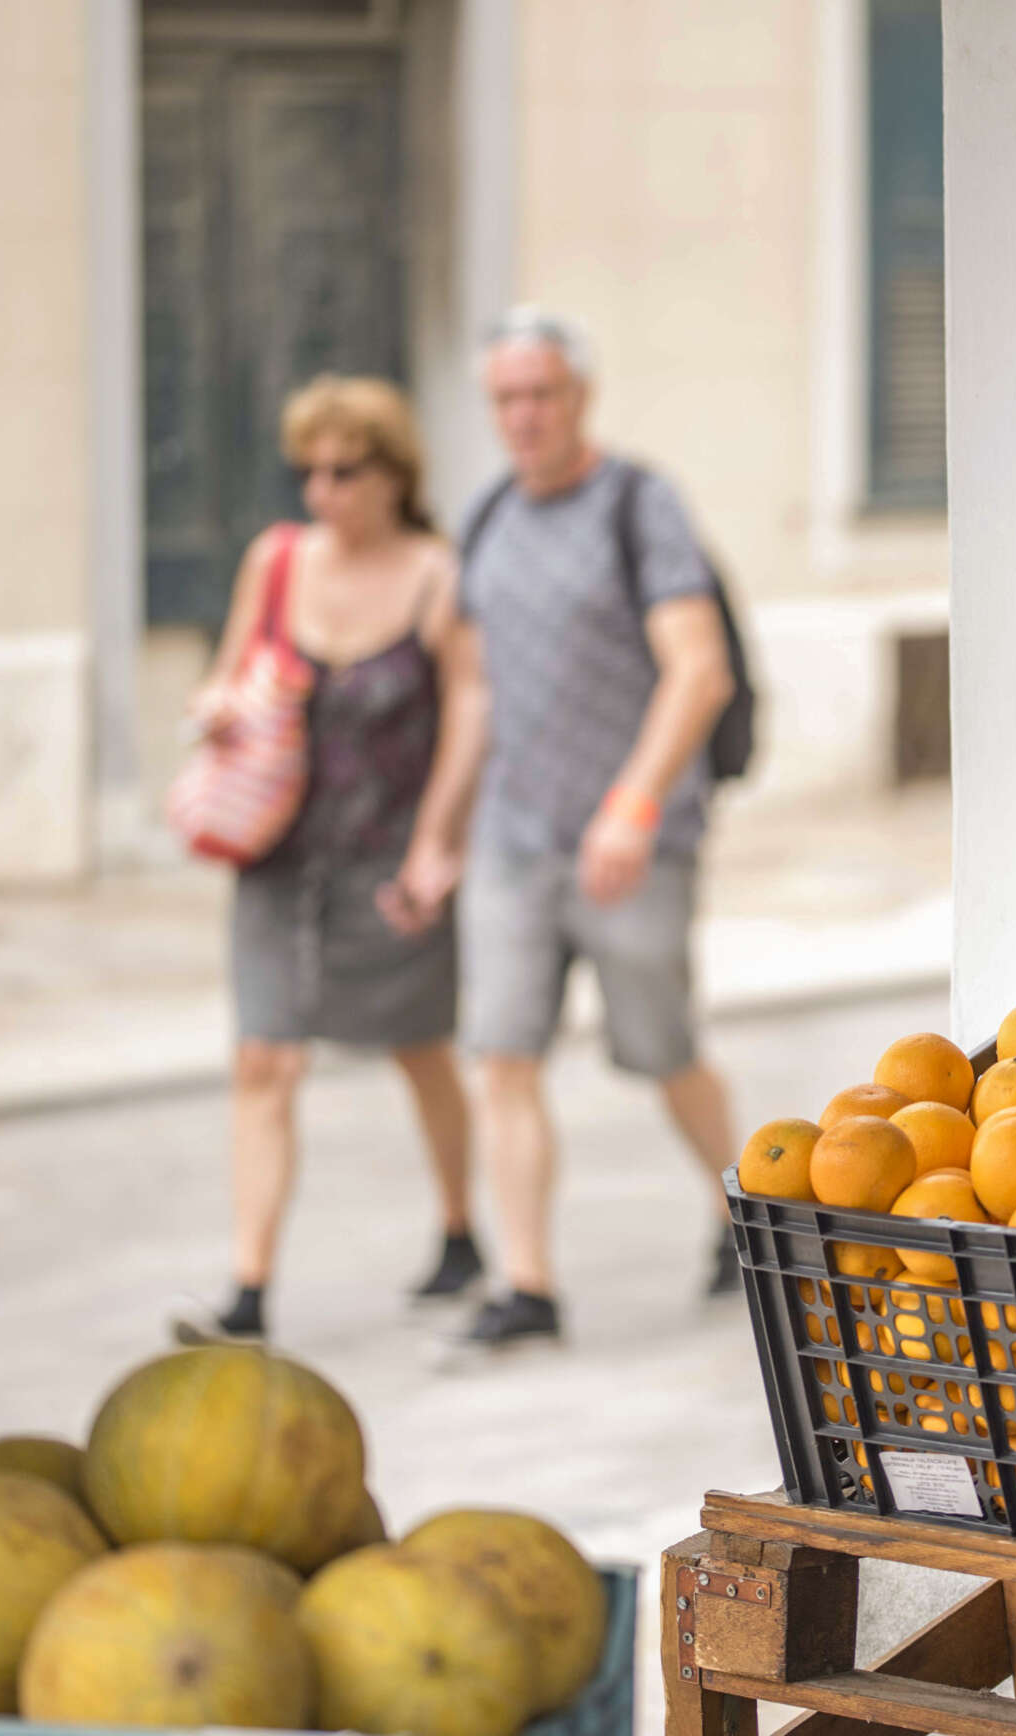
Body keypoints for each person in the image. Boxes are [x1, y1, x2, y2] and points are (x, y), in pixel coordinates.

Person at [415, 308, 740, 1347]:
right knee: (501, 1055)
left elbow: (699, 670)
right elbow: (471, 695)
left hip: (633, 838)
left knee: (661, 1049)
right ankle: (529, 1285)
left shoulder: (637, 506)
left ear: (578, 397)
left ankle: (744, 1216)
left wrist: (633, 805)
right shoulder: (486, 520)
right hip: (514, 837)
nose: (522, 416)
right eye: (504, 398)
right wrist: (436, 832)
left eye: (539, 394)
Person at [176, 375, 489, 1344]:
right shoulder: (275, 562)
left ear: (393, 474)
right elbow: (228, 675)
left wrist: (440, 840)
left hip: (388, 859)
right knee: (263, 1057)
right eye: (308, 471)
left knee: (419, 1047)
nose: (322, 492)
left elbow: (471, 713)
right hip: (278, 858)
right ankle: (249, 1287)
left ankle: (458, 1229)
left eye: (344, 471)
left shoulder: (438, 576)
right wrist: (216, 707)